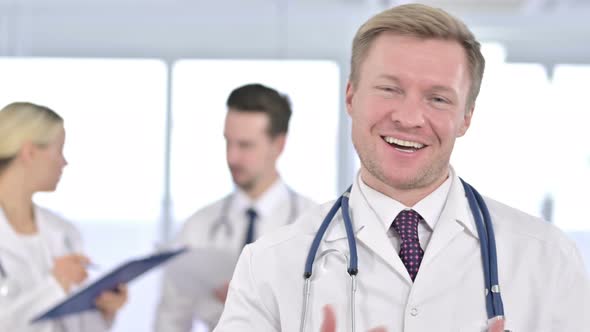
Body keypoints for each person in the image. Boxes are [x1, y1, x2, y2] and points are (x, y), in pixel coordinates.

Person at [213, 4, 590, 332]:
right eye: (389, 89)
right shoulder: (268, 263)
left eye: (438, 98)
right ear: (351, 97)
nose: (409, 118)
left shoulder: (548, 258)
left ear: (466, 118)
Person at [154, 83, 317, 331]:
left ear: (279, 145)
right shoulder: (198, 228)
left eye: (245, 145)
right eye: (228, 142)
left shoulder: (315, 226)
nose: (232, 157)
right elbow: (169, 323)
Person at [0, 102, 128, 332]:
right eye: (58, 150)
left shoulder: (63, 232)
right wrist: (55, 284)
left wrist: (104, 309)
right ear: (29, 152)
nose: (64, 162)